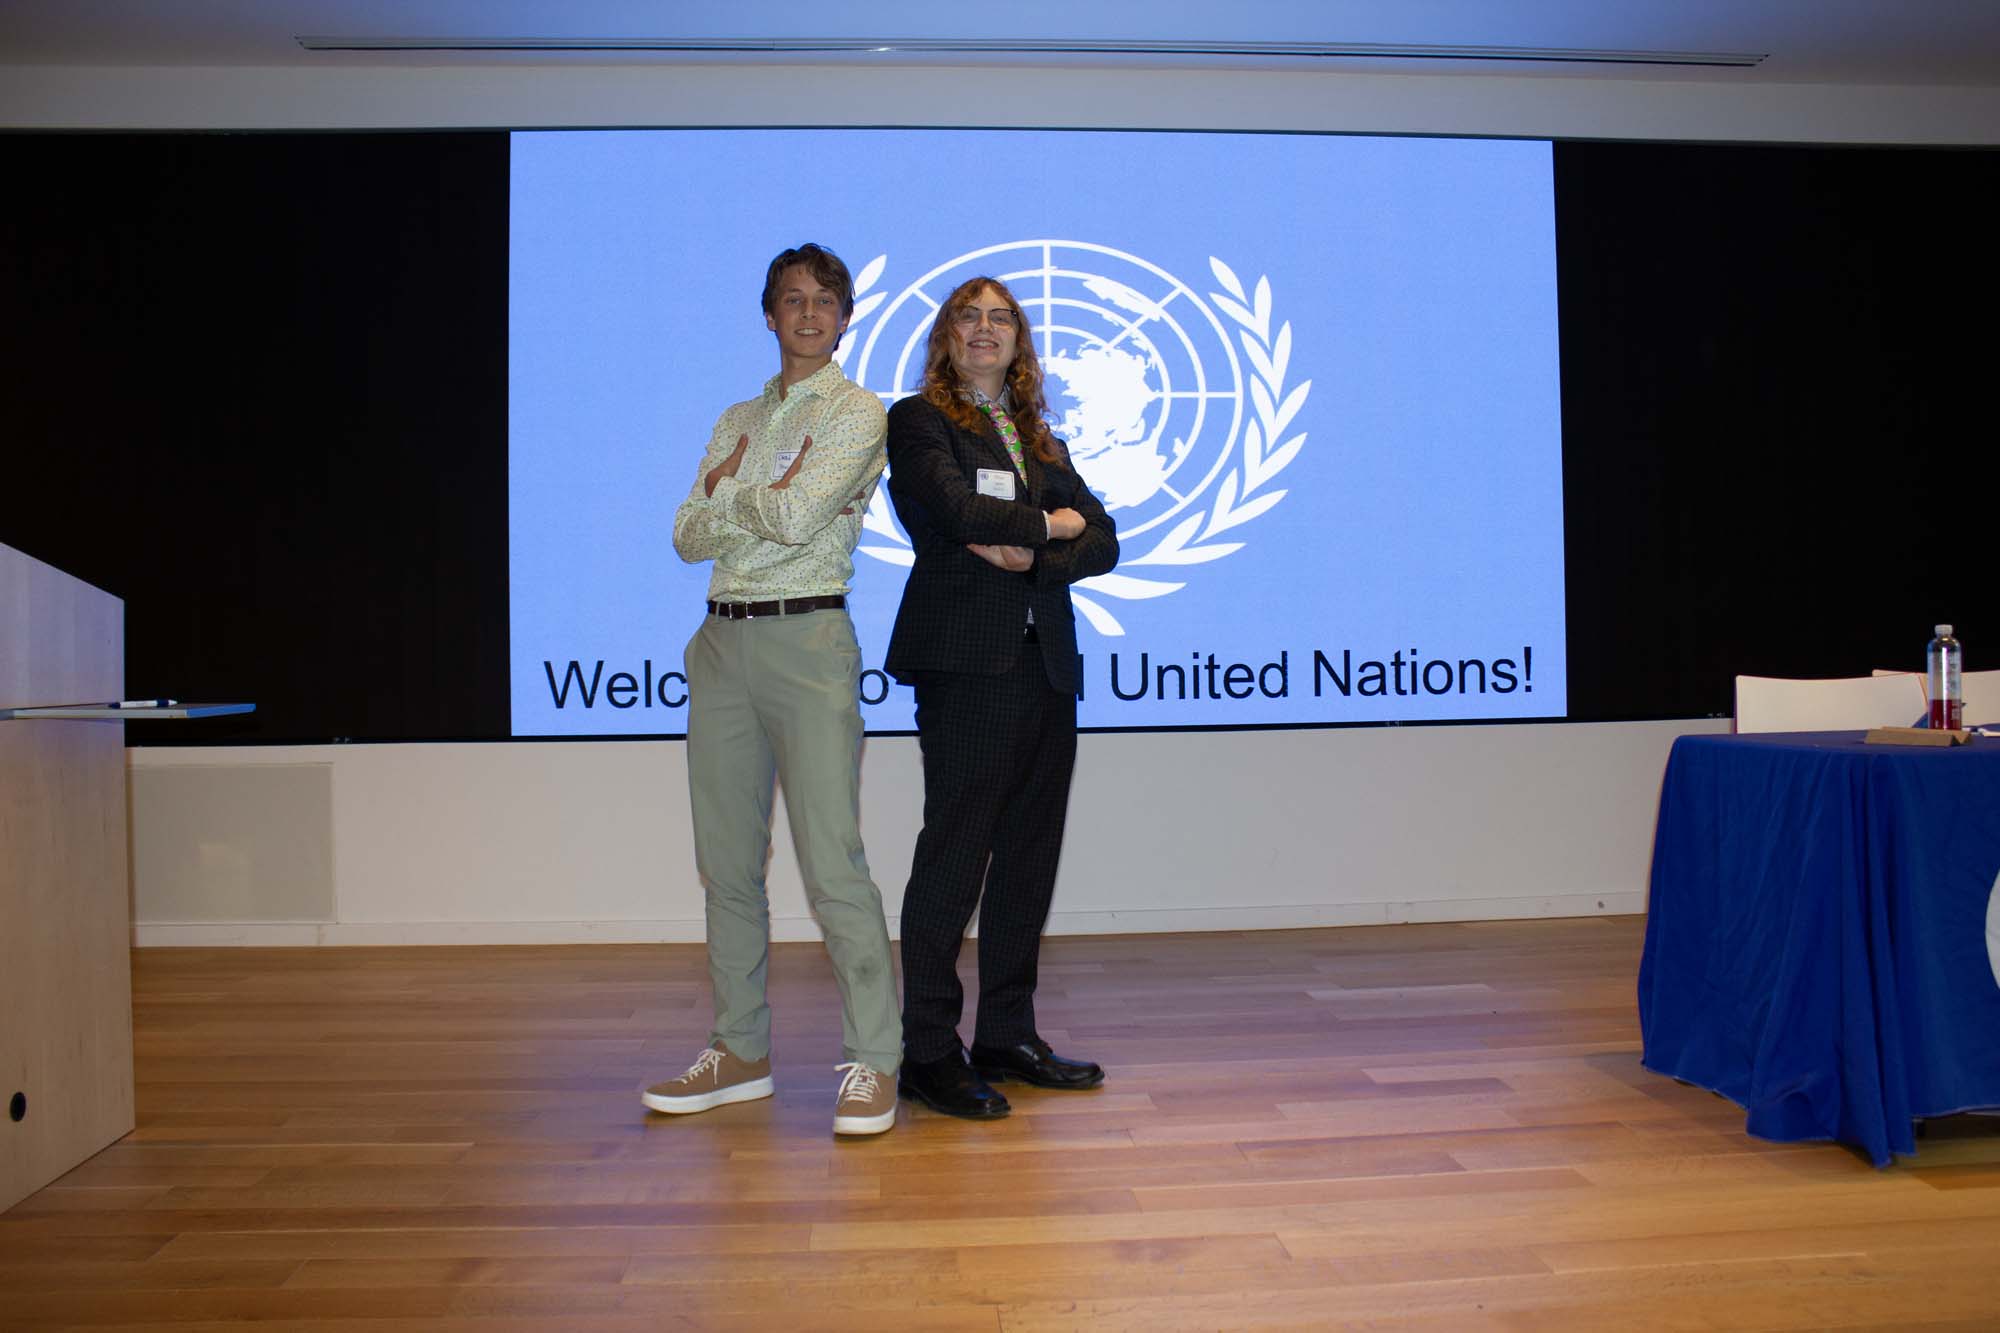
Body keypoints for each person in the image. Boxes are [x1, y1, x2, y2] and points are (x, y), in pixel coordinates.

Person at [642, 243, 900, 1137]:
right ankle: (739, 1050)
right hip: (721, 642)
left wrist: (733, 495)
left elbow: (796, 517)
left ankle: (876, 1058)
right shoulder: (737, 416)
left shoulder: (859, 411)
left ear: (845, 317)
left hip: (808, 638)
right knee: (726, 865)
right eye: (793, 299)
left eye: (825, 300)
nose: (809, 314)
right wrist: (760, 493)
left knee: (832, 863)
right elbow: (685, 535)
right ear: (769, 314)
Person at [883, 276, 1120, 1120]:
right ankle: (927, 1052)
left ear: (1019, 341)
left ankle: (1006, 1035)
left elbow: (1106, 538)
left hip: (1044, 664)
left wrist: (1036, 551)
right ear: (947, 336)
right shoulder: (919, 421)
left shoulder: (1039, 436)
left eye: (1001, 319)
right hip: (965, 666)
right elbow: (953, 511)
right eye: (968, 316)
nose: (985, 329)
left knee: (1028, 856)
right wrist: (1051, 524)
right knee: (954, 859)